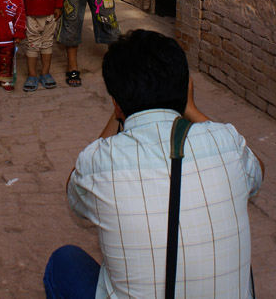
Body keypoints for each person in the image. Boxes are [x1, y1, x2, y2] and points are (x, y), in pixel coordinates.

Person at [45, 29, 264, 299]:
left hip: (134, 107)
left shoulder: (98, 161)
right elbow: (256, 172)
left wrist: (119, 112)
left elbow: (74, 198)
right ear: (186, 87)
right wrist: (189, 107)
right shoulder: (227, 140)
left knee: (63, 261)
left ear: (116, 102)